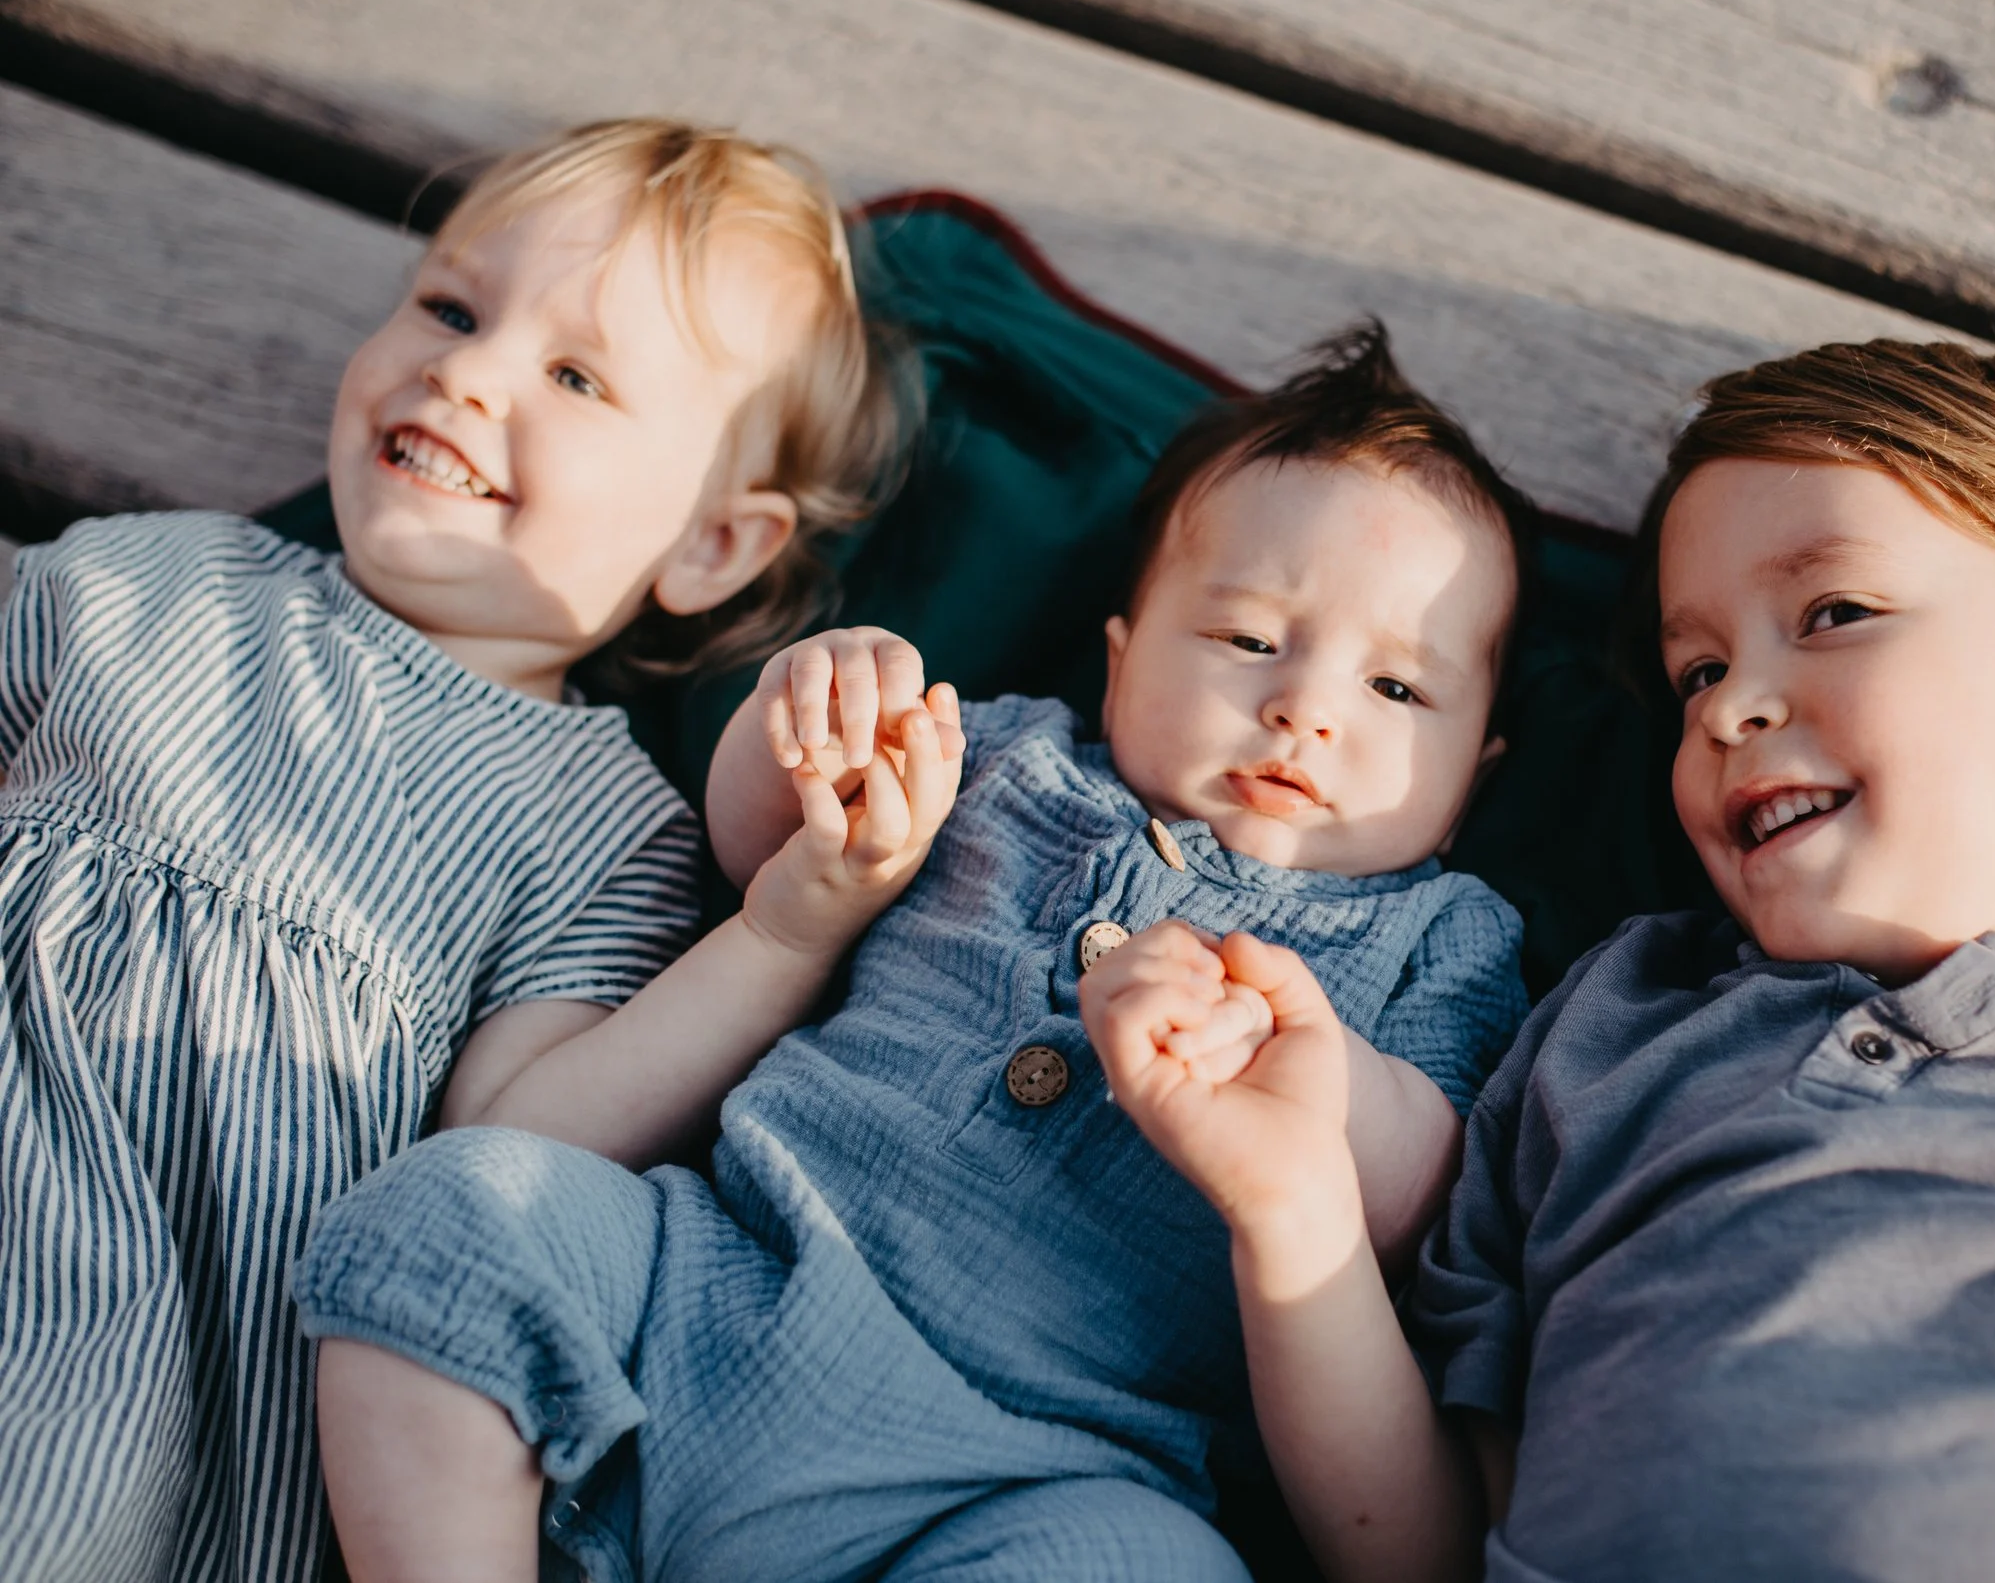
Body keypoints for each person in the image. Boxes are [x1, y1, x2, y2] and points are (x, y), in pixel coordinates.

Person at [1125, 341, 1995, 1581]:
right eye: (1693, 672)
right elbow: (1429, 1541)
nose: (1732, 703)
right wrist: (1294, 1208)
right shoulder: (1611, 1034)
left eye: (1834, 610)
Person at [292, 322, 1536, 1583]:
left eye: (1397, 691)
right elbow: (754, 847)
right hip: (702, 1287)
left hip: (1031, 1474)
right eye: (1249, 638)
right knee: (456, 1204)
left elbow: (1426, 1188)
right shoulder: (998, 758)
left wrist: (1309, 1072)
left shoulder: (1442, 938)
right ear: (1122, 658)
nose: (1305, 704)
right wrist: (807, 715)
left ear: (1474, 772)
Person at [0, 118, 913, 1583]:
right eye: (448, 304)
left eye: (575, 376)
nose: (466, 370)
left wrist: (784, 934)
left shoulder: (601, 825)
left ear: (709, 547)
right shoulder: (136, 572)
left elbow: (524, 1125)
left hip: (153, 1334)